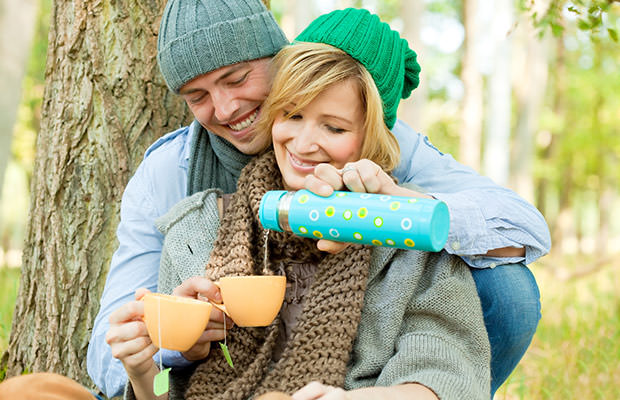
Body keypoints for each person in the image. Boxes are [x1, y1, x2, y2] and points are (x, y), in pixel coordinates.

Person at [87, 0, 550, 398]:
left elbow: (442, 368)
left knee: (508, 292)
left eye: (237, 79)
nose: (226, 109)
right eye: (198, 96)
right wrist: (171, 343)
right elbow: (134, 372)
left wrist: (405, 212)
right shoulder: (191, 215)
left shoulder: (396, 168)